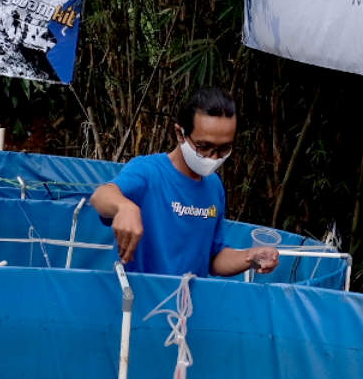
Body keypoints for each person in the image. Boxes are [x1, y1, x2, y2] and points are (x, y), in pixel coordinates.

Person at [88, 88, 280, 278]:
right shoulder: (148, 172)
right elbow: (102, 195)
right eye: (204, 147)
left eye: (224, 149)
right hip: (139, 301)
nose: (213, 157)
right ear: (180, 134)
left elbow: (215, 258)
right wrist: (125, 207)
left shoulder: (214, 186)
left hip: (186, 305)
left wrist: (249, 256)